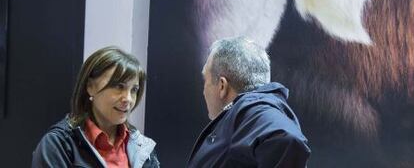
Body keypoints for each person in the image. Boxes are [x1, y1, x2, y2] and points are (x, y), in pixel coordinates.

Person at [188, 37, 310, 167]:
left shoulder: (253, 112)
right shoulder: (245, 117)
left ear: (222, 85)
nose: (203, 90)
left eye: (205, 80)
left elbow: (287, 138)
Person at [32, 46, 160, 168]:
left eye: (134, 90)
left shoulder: (143, 147)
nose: (128, 99)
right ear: (90, 87)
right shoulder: (58, 144)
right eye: (118, 86)